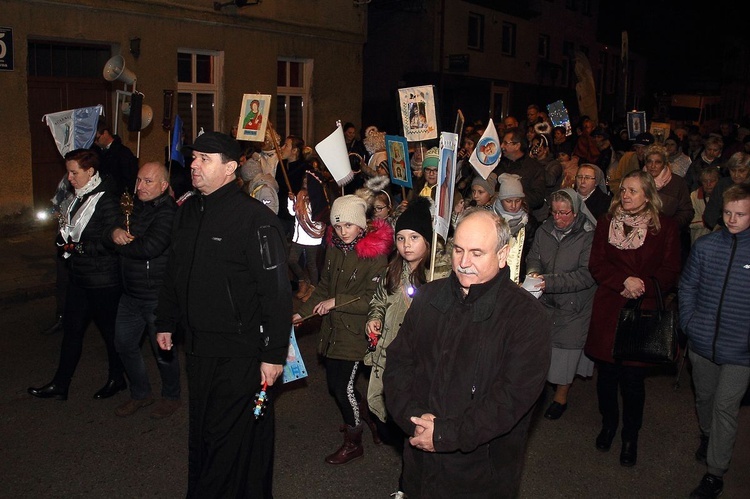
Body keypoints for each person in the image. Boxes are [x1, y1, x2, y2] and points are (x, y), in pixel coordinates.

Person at [154, 131, 292, 498]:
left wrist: (273, 353)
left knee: (224, 435)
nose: (194, 165)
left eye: (205, 159)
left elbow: (277, 292)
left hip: (240, 351)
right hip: (198, 348)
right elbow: (175, 270)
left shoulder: (255, 219)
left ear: (230, 168)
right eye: (194, 158)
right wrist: (165, 319)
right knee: (203, 433)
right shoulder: (188, 212)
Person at [382, 208, 551, 498]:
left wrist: (445, 434)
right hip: (421, 459)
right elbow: (399, 364)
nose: (463, 263)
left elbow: (510, 399)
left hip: (480, 474)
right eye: (458, 250)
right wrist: (414, 420)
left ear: (502, 254)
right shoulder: (428, 297)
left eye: (476, 253)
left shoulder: (527, 317)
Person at [584, 170, 682, 467]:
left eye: (632, 191)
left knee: (633, 382)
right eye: (623, 190)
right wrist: (622, 280)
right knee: (606, 378)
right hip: (609, 307)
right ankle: (609, 424)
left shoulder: (664, 227)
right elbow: (596, 263)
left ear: (648, 194)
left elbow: (671, 267)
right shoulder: (606, 222)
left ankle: (630, 436)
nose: (625, 195)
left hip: (642, 309)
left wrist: (641, 285)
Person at [292, 193, 393, 465]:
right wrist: (301, 313)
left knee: (342, 387)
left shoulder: (376, 256)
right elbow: (324, 287)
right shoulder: (335, 248)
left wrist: (337, 302)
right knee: (336, 385)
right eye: (337, 226)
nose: (342, 231)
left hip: (357, 331)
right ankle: (367, 418)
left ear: (361, 224)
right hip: (334, 329)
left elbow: (376, 299)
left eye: (348, 225)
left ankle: (354, 441)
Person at [364, 197, 449, 497]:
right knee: (385, 416)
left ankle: (407, 487)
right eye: (400, 238)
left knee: (413, 428)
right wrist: (373, 320)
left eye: (414, 237)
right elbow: (378, 301)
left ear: (429, 240)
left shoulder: (438, 277)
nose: (406, 245)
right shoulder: (392, 271)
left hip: (418, 365)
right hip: (387, 357)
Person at [28, 148, 125, 401]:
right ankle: (60, 384)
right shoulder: (77, 197)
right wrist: (63, 241)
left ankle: (117, 378)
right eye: (68, 171)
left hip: (102, 280)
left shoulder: (106, 200)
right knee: (72, 332)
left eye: (74, 172)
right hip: (80, 278)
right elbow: (69, 231)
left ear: (90, 172)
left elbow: (110, 242)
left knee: (110, 333)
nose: (69, 177)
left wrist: (77, 247)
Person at [679, 183, 750, 499]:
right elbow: (687, 287)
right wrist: (690, 324)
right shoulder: (706, 247)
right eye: (728, 213)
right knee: (705, 398)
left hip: (741, 351)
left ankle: (714, 473)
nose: (733, 219)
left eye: (741, 214)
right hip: (702, 341)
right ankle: (708, 436)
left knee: (725, 406)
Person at [104, 162, 181, 419]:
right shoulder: (132, 205)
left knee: (163, 351)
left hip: (156, 295)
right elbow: (112, 224)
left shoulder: (169, 212)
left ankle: (171, 396)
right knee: (123, 344)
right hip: (129, 293)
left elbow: (150, 247)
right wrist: (114, 231)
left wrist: (120, 244)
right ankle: (141, 393)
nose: (141, 186)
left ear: (164, 185)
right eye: (139, 180)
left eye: (148, 182)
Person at [526, 188, 597, 420]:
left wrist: (548, 282)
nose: (558, 218)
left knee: (566, 352)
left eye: (564, 213)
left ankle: (561, 396)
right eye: (554, 212)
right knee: (544, 349)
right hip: (546, 302)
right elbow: (534, 257)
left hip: (574, 304)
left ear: (575, 213)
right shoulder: (545, 230)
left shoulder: (588, 235)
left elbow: (586, 275)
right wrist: (534, 272)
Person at [494, 128, 547, 222]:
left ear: (517, 145)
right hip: (497, 217)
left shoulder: (534, 168)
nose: (502, 146)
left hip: (523, 219)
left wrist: (515, 199)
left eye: (506, 143)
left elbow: (538, 197)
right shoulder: (498, 165)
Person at [492, 173, 537, 284]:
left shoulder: (529, 222)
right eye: (508, 201)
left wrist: (527, 276)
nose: (513, 205)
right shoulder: (490, 219)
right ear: (501, 200)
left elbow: (532, 253)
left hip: (518, 279)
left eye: (517, 201)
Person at [643, 144, 694, 232]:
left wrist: (669, 226)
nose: (653, 166)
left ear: (664, 164)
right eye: (649, 161)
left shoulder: (677, 183)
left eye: (658, 162)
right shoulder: (638, 180)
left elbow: (687, 211)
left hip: (667, 233)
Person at [702, 151, 750, 230]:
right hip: (722, 229)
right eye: (733, 170)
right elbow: (710, 211)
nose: (736, 175)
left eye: (741, 171)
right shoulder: (723, 184)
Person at [93, 122, 139, 196]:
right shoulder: (98, 152)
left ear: (105, 133)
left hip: (118, 196)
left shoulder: (123, 152)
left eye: (97, 139)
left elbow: (130, 178)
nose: (95, 142)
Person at [689, 168, 720, 244]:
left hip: (720, 240)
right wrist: (708, 221)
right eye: (705, 181)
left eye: (712, 181)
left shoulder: (725, 195)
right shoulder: (694, 196)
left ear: (718, 181)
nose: (708, 184)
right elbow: (689, 220)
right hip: (699, 239)